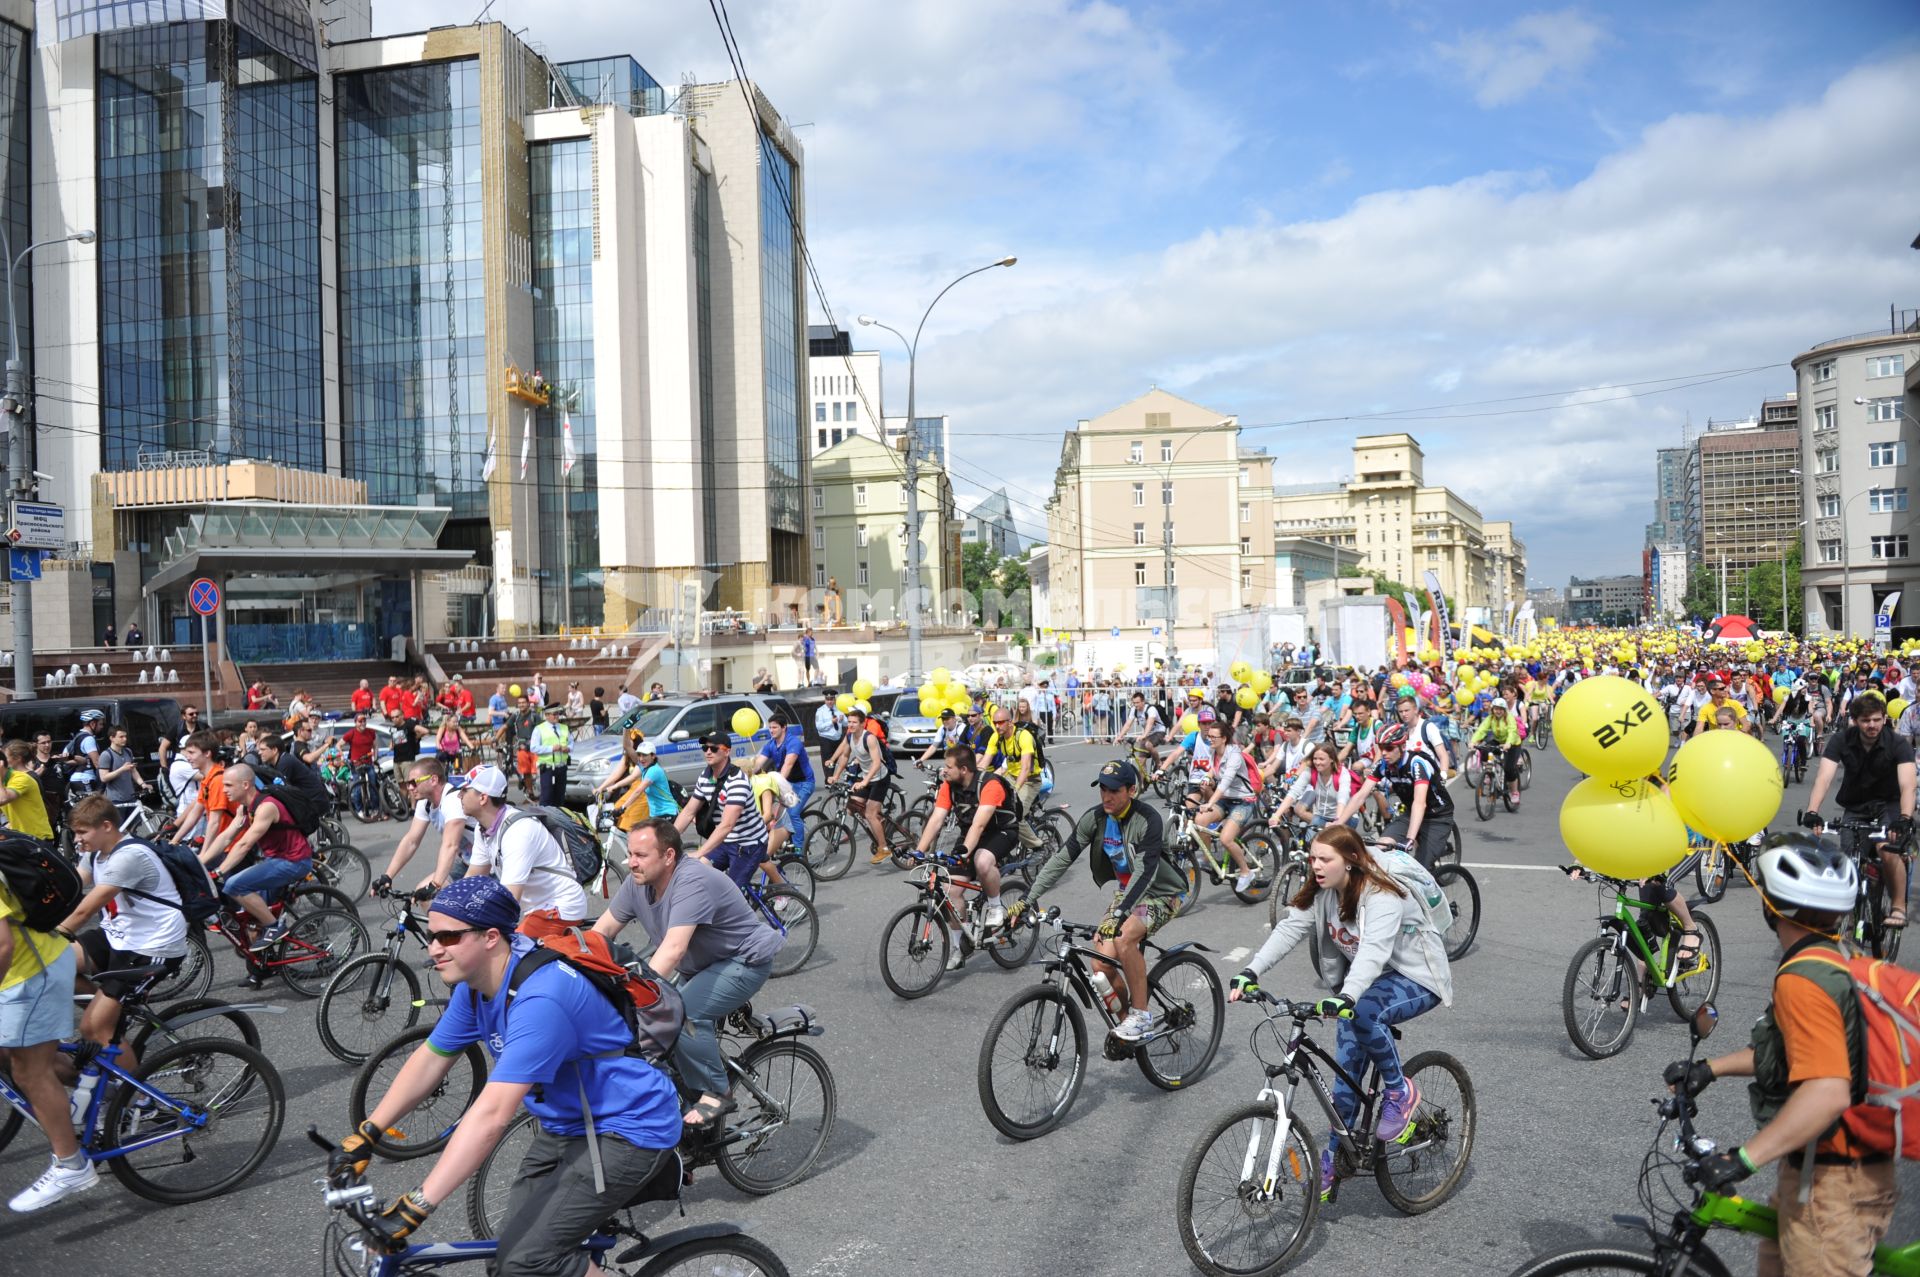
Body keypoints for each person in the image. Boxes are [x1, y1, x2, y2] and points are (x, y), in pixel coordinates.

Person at [344, 876, 682, 1273]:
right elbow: (431, 1059)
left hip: (627, 1130)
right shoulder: (478, 986)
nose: (434, 949)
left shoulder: (541, 999)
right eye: (432, 936)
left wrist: (419, 1204)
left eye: (448, 937)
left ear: (490, 937)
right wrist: (368, 1133)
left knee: (528, 1262)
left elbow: (491, 1115)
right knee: (503, 1259)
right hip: (569, 1124)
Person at [1665, 835, 1895, 1277]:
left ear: (1774, 907)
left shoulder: (1803, 980)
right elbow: (1795, 1053)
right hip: (1818, 1174)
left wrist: (1742, 1159)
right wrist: (1708, 1070)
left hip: (1833, 1188)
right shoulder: (1833, 957)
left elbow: (1828, 1092)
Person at [1230, 823, 1451, 1201]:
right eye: (1312, 857)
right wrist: (1252, 970)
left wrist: (1347, 997)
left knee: (1364, 1015)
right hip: (1364, 986)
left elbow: (1374, 951)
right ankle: (1336, 1158)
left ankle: (1399, 1091)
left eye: (1324, 859)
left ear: (1349, 861)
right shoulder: (1322, 892)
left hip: (1415, 975)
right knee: (1345, 1077)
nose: (1315, 865)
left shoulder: (1381, 894)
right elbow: (1288, 930)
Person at [593, 819, 780, 1134]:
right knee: (649, 1030)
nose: (631, 862)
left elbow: (673, 951)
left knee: (683, 1014)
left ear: (668, 856)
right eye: (630, 854)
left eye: (641, 854)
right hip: (702, 964)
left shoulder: (690, 880)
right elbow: (602, 933)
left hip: (744, 959)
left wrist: (632, 995)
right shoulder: (637, 883)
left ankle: (717, 1092)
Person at [1010, 760, 1183, 1042]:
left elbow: (1145, 872)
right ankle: (1128, 1026)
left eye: (1114, 790)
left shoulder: (1148, 820)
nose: (1106, 796)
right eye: (1103, 789)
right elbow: (1062, 858)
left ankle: (1142, 1015)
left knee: (1125, 937)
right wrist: (1028, 898)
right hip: (1127, 894)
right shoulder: (1096, 818)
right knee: (1100, 964)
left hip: (1162, 894)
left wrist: (1120, 914)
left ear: (1131, 790)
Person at [55, 795, 189, 1116]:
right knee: (55, 964)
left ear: (106, 826)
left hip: (151, 947)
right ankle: (111, 1012)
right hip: (120, 937)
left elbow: (87, 908)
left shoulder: (128, 857)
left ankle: (145, 1103)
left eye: (82, 832)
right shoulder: (96, 853)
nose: (77, 840)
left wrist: (52, 934)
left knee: (93, 1029)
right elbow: (72, 889)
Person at [0, 854, 89, 1212]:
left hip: (32, 975)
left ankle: (71, 1165)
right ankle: (98, 1090)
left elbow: (3, 945)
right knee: (17, 1055)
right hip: (27, 969)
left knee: (28, 1071)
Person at [1801, 691, 1914, 930]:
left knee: (1887, 850)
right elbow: (1824, 778)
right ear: (1855, 721)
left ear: (1884, 718)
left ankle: (1898, 906)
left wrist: (1904, 818)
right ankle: (1849, 913)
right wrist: (1812, 811)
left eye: (1876, 719)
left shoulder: (1897, 744)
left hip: (1889, 804)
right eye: (1865, 720)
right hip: (1856, 804)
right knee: (1847, 861)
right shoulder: (1842, 739)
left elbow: (1907, 785)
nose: (1871, 725)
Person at [914, 745, 1021, 969]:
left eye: (948, 767)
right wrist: (919, 851)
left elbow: (980, 824)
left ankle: (995, 906)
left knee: (982, 860)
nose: (944, 770)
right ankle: (959, 947)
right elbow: (936, 819)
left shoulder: (989, 784)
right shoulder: (949, 786)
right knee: (952, 891)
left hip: (1000, 832)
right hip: (970, 834)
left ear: (963, 769)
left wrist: (964, 853)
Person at [457, 765, 589, 928]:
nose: (458, 796)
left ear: (483, 798)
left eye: (464, 791)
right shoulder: (482, 828)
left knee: (505, 950)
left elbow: (509, 898)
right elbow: (473, 879)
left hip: (560, 907)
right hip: (535, 910)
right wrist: (450, 906)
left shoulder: (518, 831)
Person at [204, 763, 314, 957]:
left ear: (245, 784)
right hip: (275, 860)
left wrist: (219, 871)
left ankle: (274, 926)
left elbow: (244, 844)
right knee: (251, 922)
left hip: (293, 861)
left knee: (233, 885)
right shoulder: (244, 808)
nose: (224, 790)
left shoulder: (266, 807)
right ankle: (262, 969)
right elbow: (226, 837)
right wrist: (199, 861)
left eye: (228, 785)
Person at [1336, 723, 1455, 873]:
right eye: (1381, 748)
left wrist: (1409, 839)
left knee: (1419, 869)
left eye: (1389, 748)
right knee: (1380, 849)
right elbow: (1360, 796)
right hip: (1411, 814)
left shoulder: (1416, 764)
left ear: (1402, 747)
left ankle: (1431, 893)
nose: (1384, 753)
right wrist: (1338, 823)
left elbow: (1420, 803)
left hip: (1437, 816)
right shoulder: (1383, 765)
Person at [674, 734, 772, 890]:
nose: (708, 752)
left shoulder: (737, 781)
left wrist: (700, 853)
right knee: (697, 874)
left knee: (731, 892)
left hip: (748, 844)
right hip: (726, 841)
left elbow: (727, 825)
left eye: (714, 748)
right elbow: (688, 812)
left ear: (727, 752)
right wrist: (666, 840)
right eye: (705, 748)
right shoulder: (705, 777)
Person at [378, 758, 476, 894]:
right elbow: (411, 841)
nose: (410, 788)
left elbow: (450, 846)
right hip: (467, 863)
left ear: (433, 780)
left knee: (452, 902)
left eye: (414, 783)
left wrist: (435, 885)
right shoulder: (425, 804)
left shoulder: (453, 800)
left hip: (489, 867)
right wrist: (387, 876)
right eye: (408, 784)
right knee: (423, 893)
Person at [1191, 720, 1262, 892]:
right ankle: (1208, 858)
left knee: (1225, 839)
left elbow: (1225, 783)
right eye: (1209, 737)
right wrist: (1208, 777)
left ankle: (1246, 871)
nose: (1210, 740)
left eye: (1214, 737)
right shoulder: (1213, 750)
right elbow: (1213, 770)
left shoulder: (1235, 756)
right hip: (1226, 800)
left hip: (1243, 801)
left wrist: (1209, 803)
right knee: (1199, 820)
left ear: (1224, 739)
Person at [830, 705, 897, 867]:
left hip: (879, 778)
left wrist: (865, 781)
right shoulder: (850, 737)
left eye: (854, 722)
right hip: (865, 777)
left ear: (862, 724)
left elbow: (876, 763)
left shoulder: (869, 738)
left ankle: (884, 847)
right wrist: (835, 776)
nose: (851, 725)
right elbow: (845, 756)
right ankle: (881, 823)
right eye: (849, 722)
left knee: (870, 813)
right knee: (851, 808)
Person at [980, 705, 1044, 856]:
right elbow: (984, 763)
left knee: (1016, 814)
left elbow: (1026, 767)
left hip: (1029, 780)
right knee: (990, 803)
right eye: (995, 722)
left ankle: (1038, 847)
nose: (997, 726)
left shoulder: (1023, 736)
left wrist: (1015, 789)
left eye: (1001, 722)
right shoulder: (996, 736)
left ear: (1010, 722)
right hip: (1010, 775)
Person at [757, 712, 815, 849]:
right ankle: (781, 840)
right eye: (770, 728)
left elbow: (788, 764)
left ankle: (799, 849)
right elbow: (758, 763)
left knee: (793, 813)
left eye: (775, 727)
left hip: (804, 784)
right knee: (772, 812)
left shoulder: (793, 742)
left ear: (784, 728)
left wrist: (778, 783)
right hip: (787, 784)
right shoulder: (771, 744)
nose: (771, 730)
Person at [173, 731, 234, 854]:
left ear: (207, 753)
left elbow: (214, 822)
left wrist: (204, 855)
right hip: (220, 844)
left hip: (230, 846)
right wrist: (175, 840)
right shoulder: (207, 778)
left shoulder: (218, 780)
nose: (188, 757)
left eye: (191, 753)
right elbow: (196, 812)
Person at [1469, 701, 1525, 808]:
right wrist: (1473, 741)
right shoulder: (1490, 718)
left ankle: (1514, 792)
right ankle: (1489, 772)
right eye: (1496, 709)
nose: (1498, 711)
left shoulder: (1509, 718)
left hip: (1512, 743)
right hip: (1499, 741)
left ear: (1504, 710)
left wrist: (1508, 743)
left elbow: (1512, 731)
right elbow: (1482, 730)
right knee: (1484, 749)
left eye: (1500, 709)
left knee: (1509, 768)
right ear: (1493, 709)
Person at [0, 741, 55, 843]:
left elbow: (3, 799)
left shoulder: (22, 777)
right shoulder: (4, 782)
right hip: (20, 838)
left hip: (37, 838)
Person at [95, 726, 148, 823]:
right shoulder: (106, 755)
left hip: (130, 796)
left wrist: (142, 784)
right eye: (121, 737)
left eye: (125, 736)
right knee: (118, 829)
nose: (125, 739)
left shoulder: (128, 751)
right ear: (112, 738)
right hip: (115, 799)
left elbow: (133, 771)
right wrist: (122, 769)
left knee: (133, 827)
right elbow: (104, 778)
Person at [342, 712, 383, 819]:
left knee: (372, 785)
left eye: (364, 720)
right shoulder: (351, 733)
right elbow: (339, 745)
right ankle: (359, 810)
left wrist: (375, 756)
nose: (362, 723)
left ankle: (375, 809)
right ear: (355, 723)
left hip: (368, 763)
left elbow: (375, 745)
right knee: (357, 788)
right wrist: (342, 756)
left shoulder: (370, 732)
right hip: (356, 764)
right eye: (360, 721)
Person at [530, 704, 571, 807]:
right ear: (547, 715)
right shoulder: (539, 729)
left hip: (562, 767)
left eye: (558, 714)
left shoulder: (564, 728)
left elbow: (571, 742)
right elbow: (533, 747)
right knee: (547, 796)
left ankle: (558, 819)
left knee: (560, 796)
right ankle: (544, 819)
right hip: (547, 767)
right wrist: (551, 748)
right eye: (554, 714)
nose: (557, 716)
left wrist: (568, 748)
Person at [63, 709, 105, 798]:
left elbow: (66, 757)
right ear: (93, 724)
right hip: (85, 779)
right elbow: (97, 763)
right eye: (100, 724)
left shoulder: (78, 736)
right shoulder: (89, 739)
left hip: (77, 778)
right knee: (91, 809)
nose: (102, 727)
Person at [813, 696, 846, 780]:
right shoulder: (820, 711)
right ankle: (829, 778)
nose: (830, 702)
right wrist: (831, 722)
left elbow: (846, 724)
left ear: (834, 700)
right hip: (826, 739)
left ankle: (829, 778)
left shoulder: (839, 709)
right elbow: (819, 727)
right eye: (828, 700)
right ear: (825, 700)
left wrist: (842, 720)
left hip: (837, 738)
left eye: (831, 700)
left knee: (834, 760)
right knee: (828, 759)